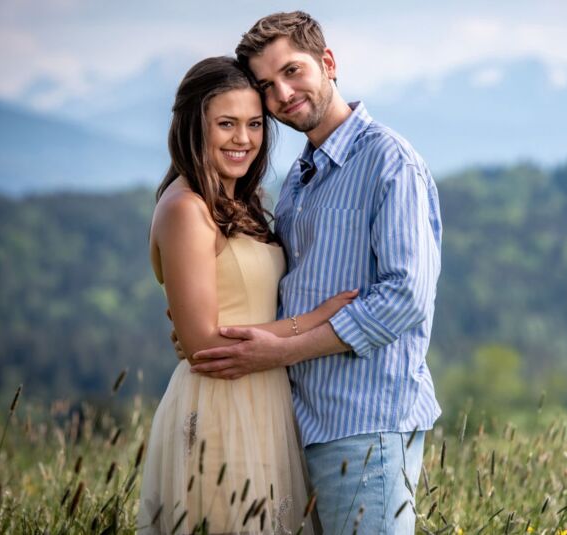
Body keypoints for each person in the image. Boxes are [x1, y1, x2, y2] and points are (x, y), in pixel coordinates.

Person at [186, 11, 443, 534]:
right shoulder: (302, 179)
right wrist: (218, 331)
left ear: (328, 63)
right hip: (297, 424)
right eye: (266, 86)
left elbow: (406, 296)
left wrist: (281, 349)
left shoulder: (388, 161)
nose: (281, 93)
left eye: (292, 71)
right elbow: (292, 293)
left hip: (366, 425)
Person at [139, 56, 355, 534]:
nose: (243, 139)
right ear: (194, 128)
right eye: (226, 124)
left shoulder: (241, 203)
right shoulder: (185, 209)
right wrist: (313, 320)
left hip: (266, 400)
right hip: (220, 408)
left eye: (254, 124)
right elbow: (203, 345)